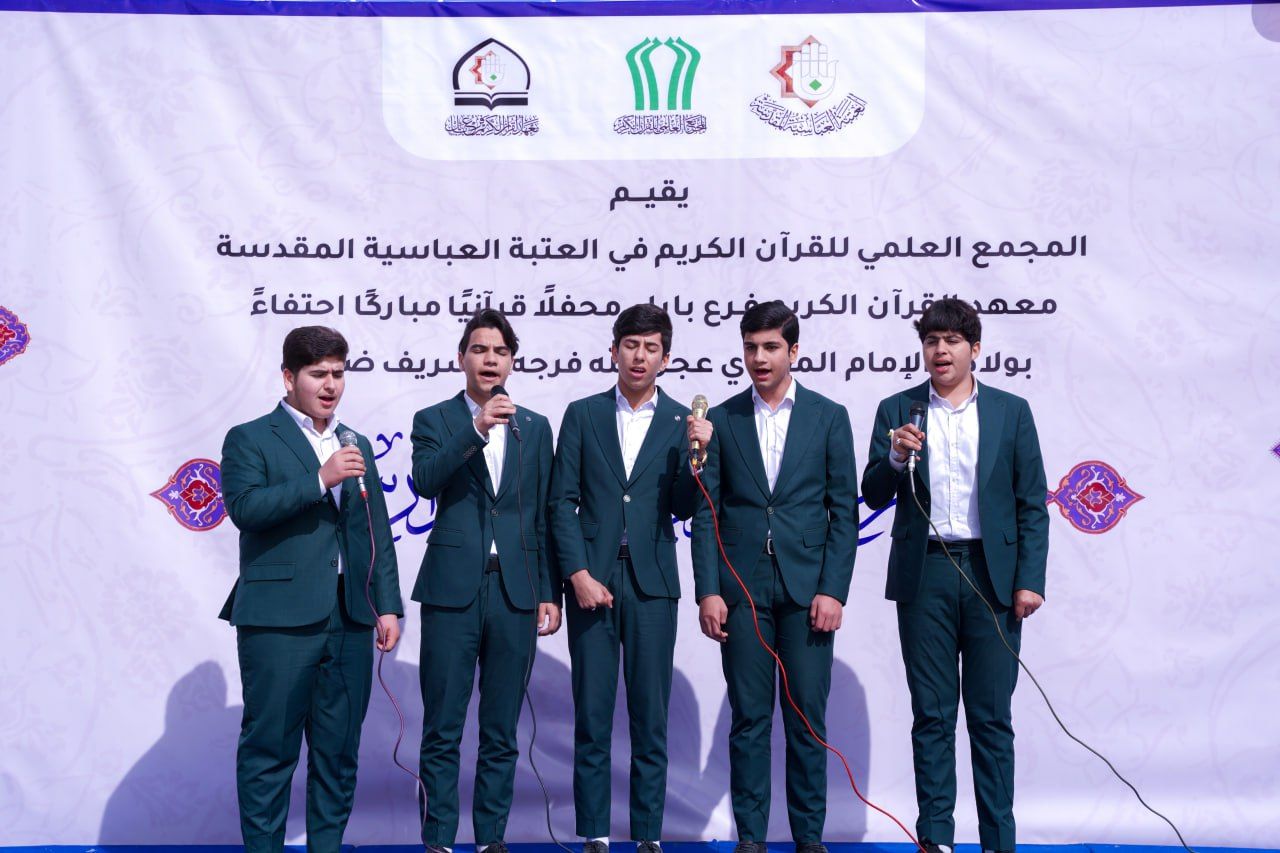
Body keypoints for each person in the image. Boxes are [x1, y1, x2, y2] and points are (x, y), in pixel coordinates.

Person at [860, 297, 1049, 853]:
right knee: (933, 715)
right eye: (931, 341)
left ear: (975, 349)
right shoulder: (899, 409)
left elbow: (1031, 504)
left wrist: (1029, 580)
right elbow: (873, 492)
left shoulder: (1012, 412)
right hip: (926, 574)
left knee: (990, 718)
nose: (940, 351)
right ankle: (936, 838)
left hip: (992, 577)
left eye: (952, 341)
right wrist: (895, 458)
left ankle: (998, 842)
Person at [220, 325, 403, 853]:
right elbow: (245, 509)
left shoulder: (354, 442)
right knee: (270, 751)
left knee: (338, 754)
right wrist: (320, 479)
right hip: (278, 619)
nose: (330, 385)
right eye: (318, 374)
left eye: (338, 374)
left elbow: (375, 530)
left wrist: (387, 605)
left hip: (350, 617)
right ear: (288, 377)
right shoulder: (250, 437)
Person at [692, 300, 858, 853]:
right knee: (749, 720)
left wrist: (833, 590)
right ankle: (752, 839)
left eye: (770, 347)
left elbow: (844, 512)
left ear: (794, 350)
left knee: (807, 719)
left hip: (808, 590)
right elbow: (706, 512)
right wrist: (709, 590)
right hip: (741, 590)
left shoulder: (829, 416)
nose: (759, 358)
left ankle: (809, 838)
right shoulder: (722, 419)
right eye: (750, 347)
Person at [549, 303, 713, 853]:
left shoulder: (682, 423)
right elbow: (561, 502)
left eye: (651, 348)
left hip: (652, 584)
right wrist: (576, 574)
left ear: (665, 359)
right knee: (592, 714)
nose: (639, 356)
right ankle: (595, 832)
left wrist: (699, 457)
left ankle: (647, 835)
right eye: (631, 345)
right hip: (591, 582)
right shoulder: (583, 414)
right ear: (614, 350)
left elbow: (687, 507)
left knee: (650, 718)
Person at [409, 308, 561, 853]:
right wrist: (475, 429)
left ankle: (490, 839)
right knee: (443, 725)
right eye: (479, 349)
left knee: (501, 729)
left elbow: (543, 515)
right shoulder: (434, 419)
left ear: (512, 362)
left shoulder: (535, 428)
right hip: (452, 590)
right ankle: (439, 839)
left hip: (516, 592)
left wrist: (548, 591)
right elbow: (425, 481)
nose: (490, 359)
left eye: (500, 351)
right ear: (461, 358)